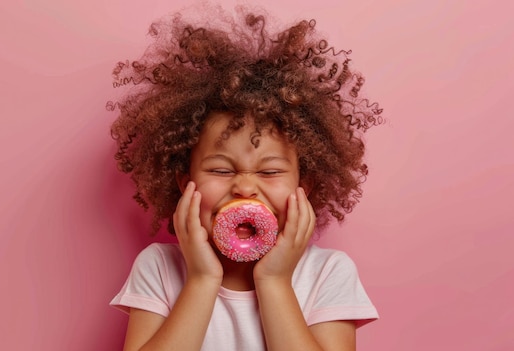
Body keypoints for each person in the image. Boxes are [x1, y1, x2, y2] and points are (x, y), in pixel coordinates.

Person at [108, 5, 383, 350]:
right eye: (221, 170)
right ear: (184, 184)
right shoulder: (160, 267)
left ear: (304, 187)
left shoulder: (327, 273)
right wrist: (202, 279)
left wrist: (275, 280)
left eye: (269, 171)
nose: (245, 187)